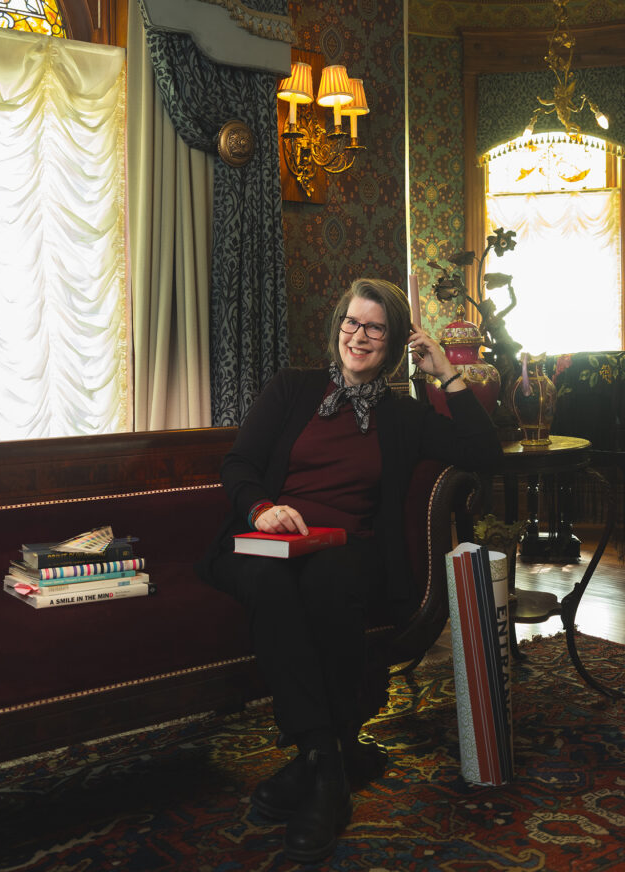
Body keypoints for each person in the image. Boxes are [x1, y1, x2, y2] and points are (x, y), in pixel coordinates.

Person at [196, 278, 502, 864]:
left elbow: (484, 453)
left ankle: (314, 764)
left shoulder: (404, 417)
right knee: (267, 578)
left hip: (347, 547)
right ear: (339, 325)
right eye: (351, 323)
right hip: (270, 538)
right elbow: (239, 463)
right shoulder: (292, 389)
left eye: (374, 328)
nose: (358, 336)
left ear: (392, 344)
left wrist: (446, 373)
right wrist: (264, 508)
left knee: (330, 579)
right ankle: (330, 761)